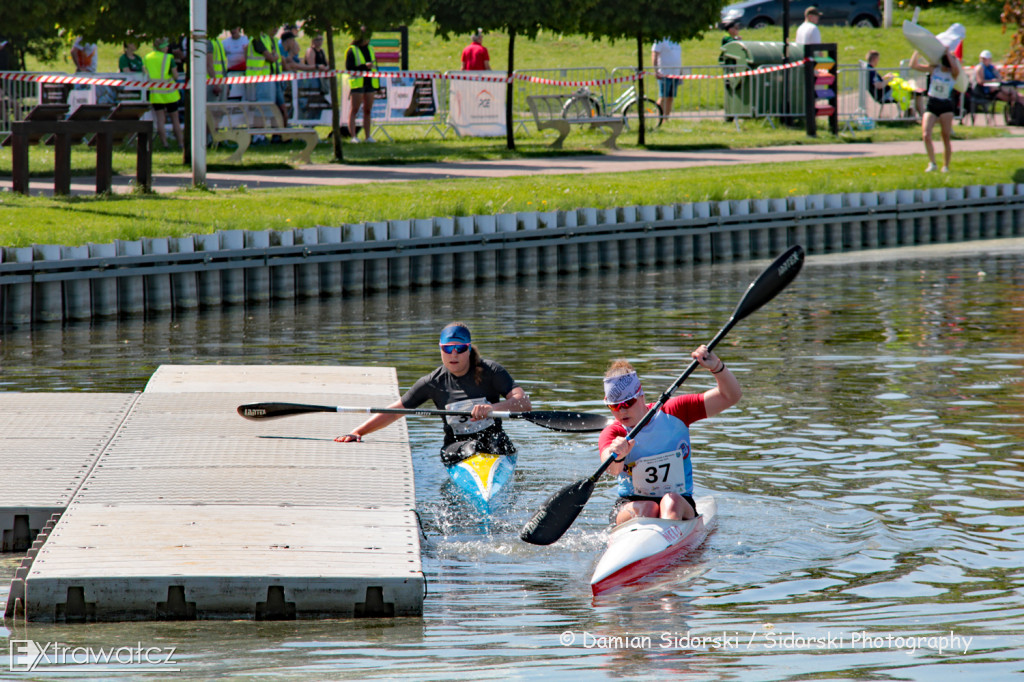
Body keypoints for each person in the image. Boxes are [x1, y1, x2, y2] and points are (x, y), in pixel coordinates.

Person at [336, 323, 532, 466]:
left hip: (494, 442)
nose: (453, 354)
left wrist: (492, 408)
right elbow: (396, 411)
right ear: (441, 349)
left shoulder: (491, 371)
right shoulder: (432, 382)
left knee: (491, 443)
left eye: (460, 348)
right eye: (448, 349)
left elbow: (523, 402)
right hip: (457, 447)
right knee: (471, 447)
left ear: (468, 349)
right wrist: (358, 432)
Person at [598, 346, 741, 526]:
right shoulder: (613, 433)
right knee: (648, 508)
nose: (622, 411)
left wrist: (717, 367)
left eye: (628, 402)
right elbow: (611, 469)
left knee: (670, 502)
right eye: (614, 406)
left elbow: (730, 396)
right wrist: (617, 455)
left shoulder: (675, 411)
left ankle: (665, 542)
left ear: (641, 395)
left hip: (679, 502)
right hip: (630, 505)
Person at [910, 48, 960, 173]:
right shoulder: (934, 69)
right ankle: (932, 163)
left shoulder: (953, 73)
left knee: (945, 136)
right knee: (926, 134)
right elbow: (913, 65)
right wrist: (917, 51)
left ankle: (946, 166)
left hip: (946, 105)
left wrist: (949, 53)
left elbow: (954, 68)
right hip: (932, 103)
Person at [144, 38, 185, 149]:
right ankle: (181, 143)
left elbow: (145, 72)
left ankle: (165, 144)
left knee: (160, 120)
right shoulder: (168, 58)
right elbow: (176, 76)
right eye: (166, 46)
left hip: (156, 93)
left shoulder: (147, 58)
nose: (167, 48)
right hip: (169, 93)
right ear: (161, 47)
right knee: (175, 119)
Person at [345, 25, 379, 143]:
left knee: (367, 110)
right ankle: (353, 136)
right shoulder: (352, 50)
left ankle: (368, 136)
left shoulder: (371, 49)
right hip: (358, 83)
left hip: (370, 82)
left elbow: (376, 66)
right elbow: (349, 68)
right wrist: (364, 67)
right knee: (354, 109)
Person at [651, 38, 682, 121]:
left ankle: (666, 118)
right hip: (664, 73)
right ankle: (659, 119)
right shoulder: (660, 40)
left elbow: (678, 57)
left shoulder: (676, 40)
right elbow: (654, 53)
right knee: (663, 96)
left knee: (671, 97)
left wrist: (680, 72)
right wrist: (656, 70)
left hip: (675, 74)